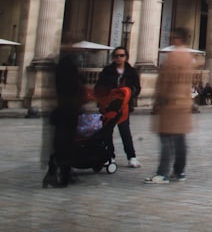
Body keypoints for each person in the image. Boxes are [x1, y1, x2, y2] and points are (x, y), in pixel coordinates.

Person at [145, 27, 194, 184]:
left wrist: (158, 100)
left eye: (172, 37)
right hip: (184, 102)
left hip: (170, 103)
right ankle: (179, 172)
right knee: (180, 139)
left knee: (166, 137)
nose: (170, 40)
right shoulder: (188, 56)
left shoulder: (174, 56)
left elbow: (165, 81)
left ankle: (163, 173)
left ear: (178, 39)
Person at [43, 43, 87, 188]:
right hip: (67, 110)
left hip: (63, 110)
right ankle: (62, 175)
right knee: (65, 143)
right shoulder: (67, 65)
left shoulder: (62, 64)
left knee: (61, 143)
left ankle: (57, 172)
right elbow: (72, 87)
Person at [94, 46, 142, 168]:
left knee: (125, 132)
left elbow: (137, 88)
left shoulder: (131, 72)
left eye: (122, 55)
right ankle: (110, 156)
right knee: (107, 132)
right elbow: (99, 87)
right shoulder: (107, 71)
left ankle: (132, 157)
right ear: (113, 57)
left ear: (126, 57)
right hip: (109, 106)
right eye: (116, 56)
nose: (119, 58)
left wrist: (129, 93)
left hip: (123, 106)